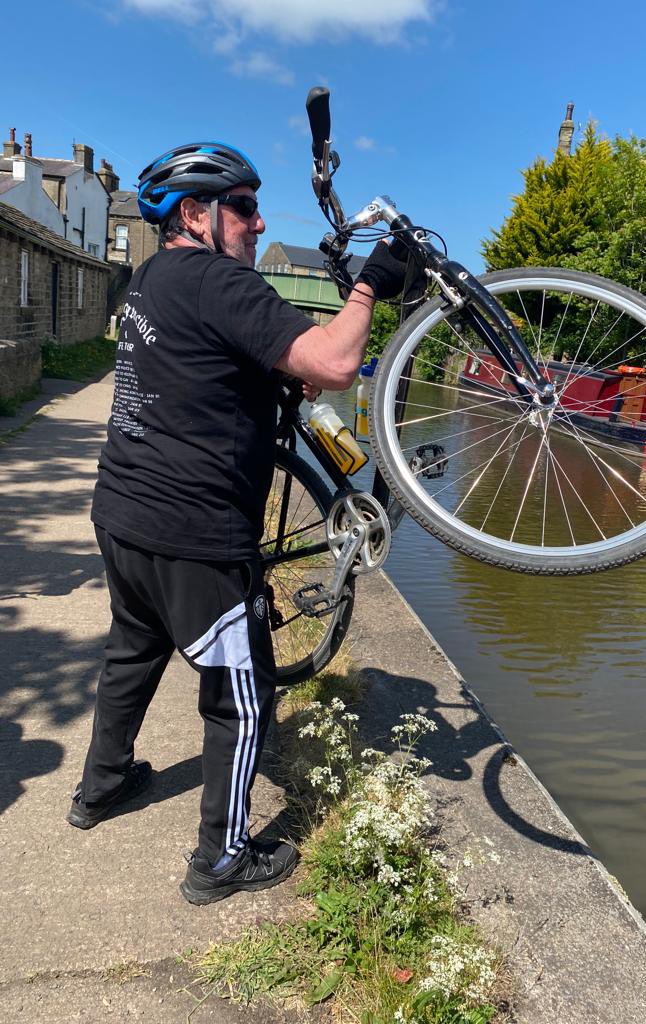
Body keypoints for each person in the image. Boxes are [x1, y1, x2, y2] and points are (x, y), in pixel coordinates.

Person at [66, 141, 409, 906]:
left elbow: (209, 365)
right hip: (195, 534)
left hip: (122, 515)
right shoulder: (221, 281)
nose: (257, 224)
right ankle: (219, 858)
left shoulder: (158, 278)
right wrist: (370, 292)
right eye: (244, 207)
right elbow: (329, 363)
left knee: (133, 652)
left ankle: (102, 785)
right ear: (196, 215)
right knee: (241, 693)